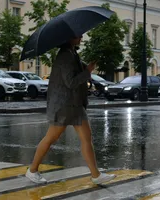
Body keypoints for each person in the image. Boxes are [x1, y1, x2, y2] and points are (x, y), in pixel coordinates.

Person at [25, 35, 116, 185]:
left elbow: (77, 73)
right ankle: (32, 170)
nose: (81, 36)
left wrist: (88, 67)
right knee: (50, 138)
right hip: (64, 105)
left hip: (74, 105)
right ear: (69, 38)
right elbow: (70, 81)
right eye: (77, 35)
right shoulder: (64, 56)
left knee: (86, 138)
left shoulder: (72, 53)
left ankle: (96, 174)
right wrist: (87, 71)